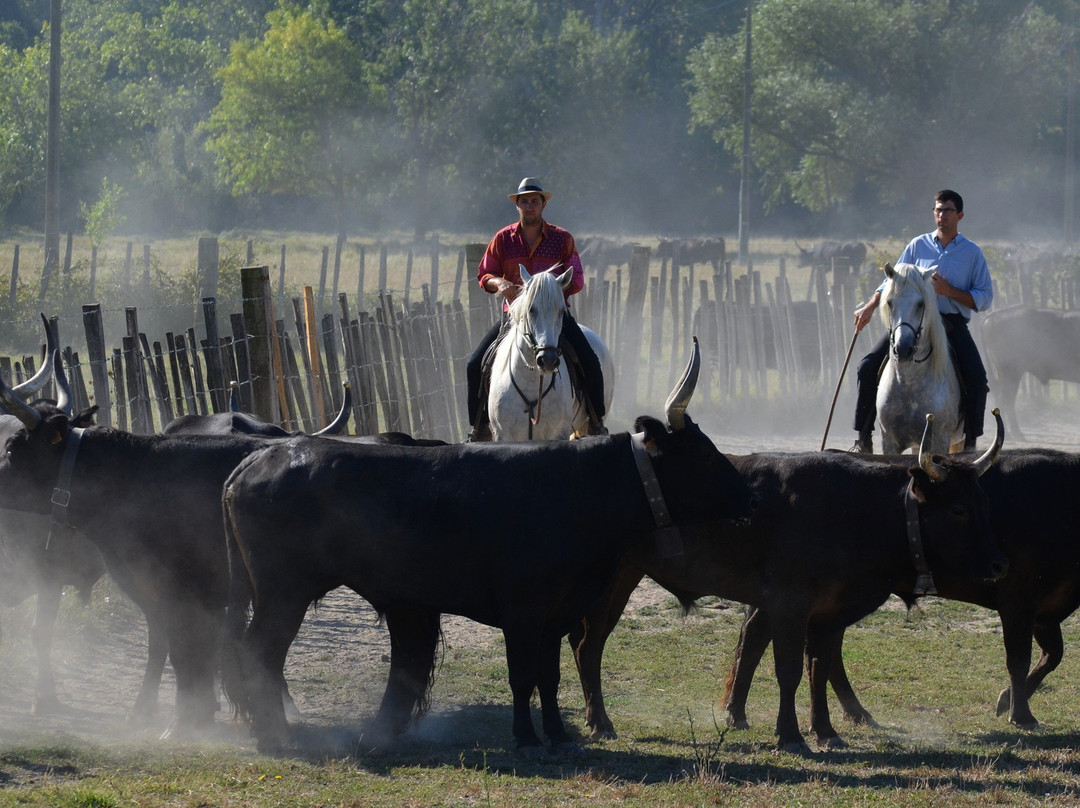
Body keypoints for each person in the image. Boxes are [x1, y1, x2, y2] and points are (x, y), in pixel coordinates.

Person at [850, 189, 993, 453]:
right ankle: (863, 438)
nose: (942, 215)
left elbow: (984, 298)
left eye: (947, 210)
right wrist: (870, 306)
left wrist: (950, 292)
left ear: (960, 215)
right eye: (938, 210)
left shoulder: (972, 253)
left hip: (950, 323)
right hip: (911, 320)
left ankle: (970, 443)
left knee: (977, 378)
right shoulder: (917, 245)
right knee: (867, 367)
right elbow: (891, 281)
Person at [465, 177, 606, 441]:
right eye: (524, 202)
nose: (529, 206)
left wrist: (549, 289)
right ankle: (479, 429)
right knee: (475, 365)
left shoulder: (562, 239)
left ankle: (596, 422)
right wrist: (500, 282)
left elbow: (576, 278)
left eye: (534, 201)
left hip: (554, 317)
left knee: (590, 361)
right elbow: (485, 274)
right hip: (515, 318)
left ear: (543, 205)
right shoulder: (503, 239)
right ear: (517, 206)